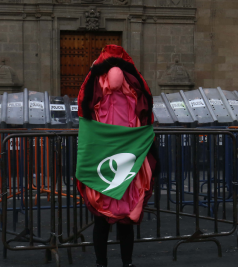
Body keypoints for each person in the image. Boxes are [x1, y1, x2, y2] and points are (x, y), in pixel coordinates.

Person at [76, 45, 159, 267]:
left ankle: (101, 263)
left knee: (101, 218)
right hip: (128, 158)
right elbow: (146, 115)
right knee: (125, 219)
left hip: (102, 157)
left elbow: (83, 110)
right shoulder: (135, 84)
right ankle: (127, 262)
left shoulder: (94, 83)